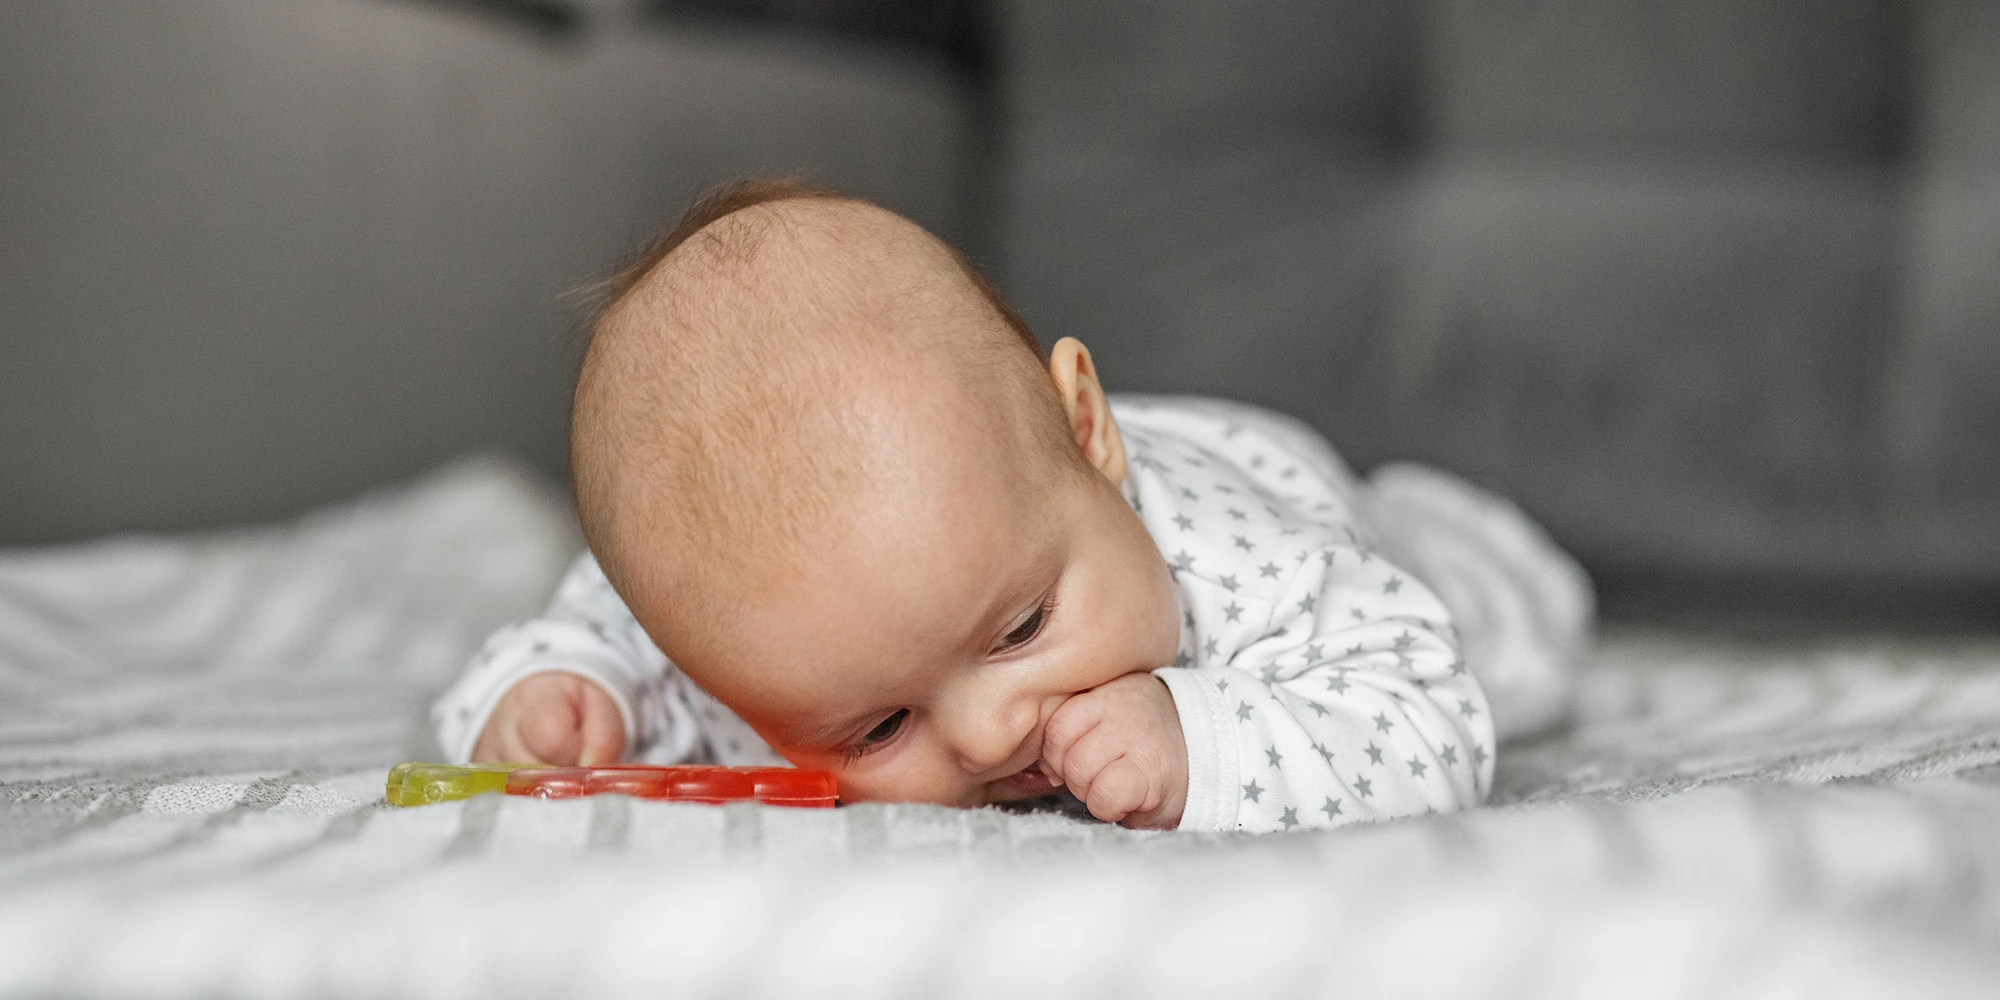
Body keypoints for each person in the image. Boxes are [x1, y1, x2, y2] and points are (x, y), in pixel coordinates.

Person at [431, 178, 1592, 832]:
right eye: (880, 728)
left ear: (1086, 432)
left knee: (1503, 625)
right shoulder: (757, 622)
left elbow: (1424, 716)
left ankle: (1457, 528)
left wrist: (1201, 741)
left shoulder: (1250, 573)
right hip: (1029, 473)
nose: (992, 736)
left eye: (1022, 629)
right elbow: (596, 641)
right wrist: (551, 697)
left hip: (1280, 483)